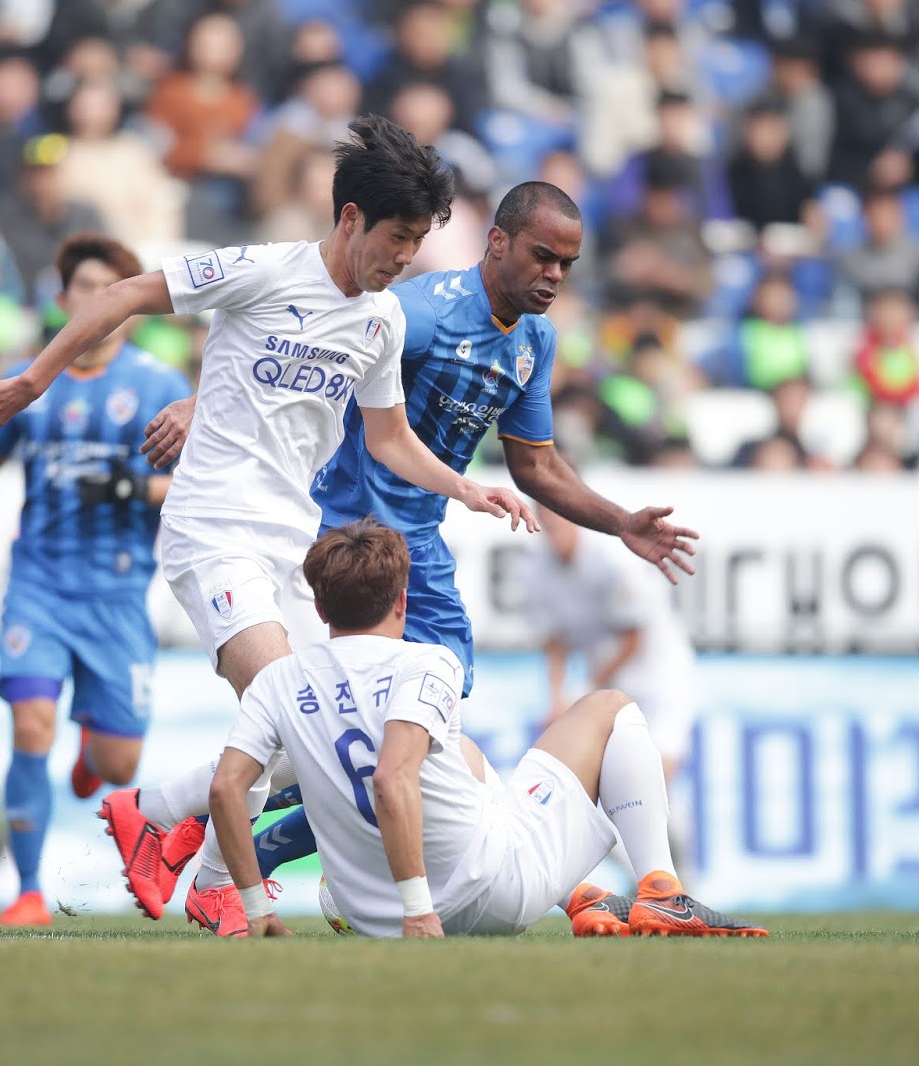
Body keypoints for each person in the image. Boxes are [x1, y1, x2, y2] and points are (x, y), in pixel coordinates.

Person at [0, 116, 535, 936]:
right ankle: (217, 881)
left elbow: (389, 439)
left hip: (290, 546)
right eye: (399, 237)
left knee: (322, 736)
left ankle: (157, 818)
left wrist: (468, 490)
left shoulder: (382, 321)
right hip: (211, 529)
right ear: (349, 220)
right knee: (293, 714)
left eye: (416, 242)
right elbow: (124, 295)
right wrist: (31, 382)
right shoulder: (263, 271)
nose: (406, 258)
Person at [137, 181, 700, 913]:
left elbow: (535, 466)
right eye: (542, 256)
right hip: (352, 540)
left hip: (422, 554)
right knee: (366, 731)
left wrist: (620, 521)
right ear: (496, 242)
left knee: (414, 743)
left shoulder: (534, 341)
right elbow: (310, 335)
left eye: (568, 263)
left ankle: (183, 825)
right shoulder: (421, 312)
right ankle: (208, 845)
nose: (554, 276)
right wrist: (201, 401)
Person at [208, 521, 765, 939]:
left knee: (466, 758)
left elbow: (224, 789)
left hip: (367, 916)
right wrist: (418, 908)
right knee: (612, 708)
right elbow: (390, 779)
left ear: (320, 605)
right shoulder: (427, 663)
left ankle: (579, 895)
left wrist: (256, 909)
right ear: (402, 601)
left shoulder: (277, 680)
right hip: (476, 898)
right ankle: (664, 890)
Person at [0, 233, 190, 927]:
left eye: (105, 289)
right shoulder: (33, 375)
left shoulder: (159, 386)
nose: (92, 301)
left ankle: (93, 753)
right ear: (61, 300)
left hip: (118, 594)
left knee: (118, 767)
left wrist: (129, 488)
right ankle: (27, 891)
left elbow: (188, 487)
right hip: (40, 584)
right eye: (80, 288)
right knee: (30, 724)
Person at [521, 505, 697, 783]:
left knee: (656, 781)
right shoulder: (536, 567)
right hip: (606, 682)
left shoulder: (613, 557)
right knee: (608, 784)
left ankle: (670, 822)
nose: (552, 525)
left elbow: (633, 639)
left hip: (657, 676)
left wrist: (583, 690)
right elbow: (554, 640)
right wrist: (556, 698)